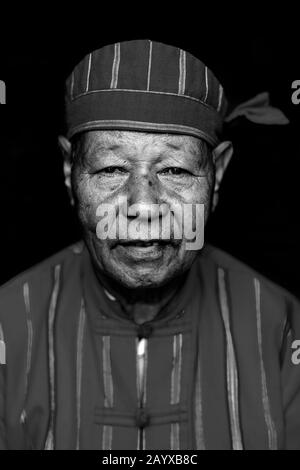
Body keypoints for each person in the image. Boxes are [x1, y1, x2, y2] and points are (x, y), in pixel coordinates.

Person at [0, 39, 300, 450]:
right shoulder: (9, 322)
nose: (143, 206)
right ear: (70, 171)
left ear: (218, 175)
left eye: (175, 169)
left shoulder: (282, 325)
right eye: (111, 168)